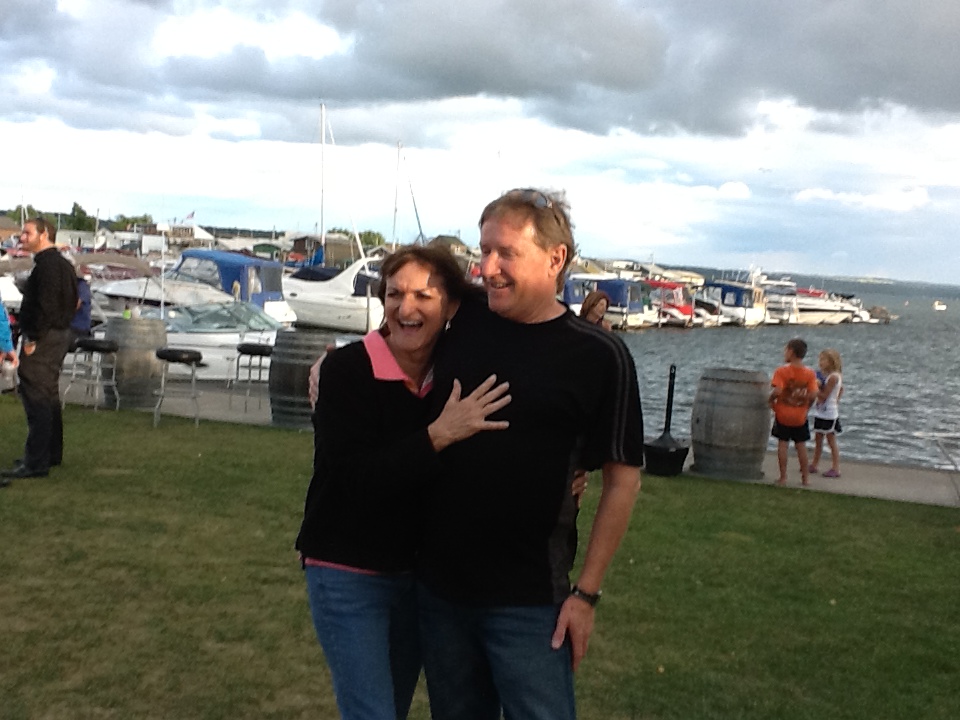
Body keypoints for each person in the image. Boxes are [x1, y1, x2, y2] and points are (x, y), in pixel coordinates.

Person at [417, 188, 645, 720]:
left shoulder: (598, 355)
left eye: (506, 253)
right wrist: (333, 366)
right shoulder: (464, 318)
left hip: (530, 601)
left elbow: (623, 481)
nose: (488, 268)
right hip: (441, 590)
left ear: (555, 258)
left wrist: (586, 596)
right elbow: (398, 327)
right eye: (483, 251)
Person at [296, 245, 513, 720]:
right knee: (372, 712)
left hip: (415, 578)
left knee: (390, 708)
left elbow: (504, 317)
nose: (405, 307)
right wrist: (438, 435)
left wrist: (571, 470)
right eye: (394, 294)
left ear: (450, 308)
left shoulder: (451, 375)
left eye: (423, 296)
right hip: (346, 569)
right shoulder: (346, 371)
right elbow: (355, 480)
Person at [1, 219, 78, 481]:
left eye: (27, 233)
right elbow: (73, 301)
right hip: (59, 334)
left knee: (37, 396)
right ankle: (50, 453)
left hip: (45, 337)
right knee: (48, 394)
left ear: (44, 234)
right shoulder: (63, 265)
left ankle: (36, 461)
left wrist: (32, 337)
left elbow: (46, 305)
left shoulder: (48, 266)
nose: (22, 237)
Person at [769, 337, 818, 487]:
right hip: (800, 416)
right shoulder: (809, 373)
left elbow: (778, 391)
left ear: (791, 352)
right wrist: (807, 407)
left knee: (783, 444)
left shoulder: (781, 371)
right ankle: (805, 478)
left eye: (785, 350)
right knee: (801, 446)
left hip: (783, 414)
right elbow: (813, 394)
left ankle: (783, 477)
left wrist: (770, 400)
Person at [810, 348, 843, 478]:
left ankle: (836, 467)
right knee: (818, 438)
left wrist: (814, 388)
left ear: (831, 361)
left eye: (823, 360)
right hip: (820, 412)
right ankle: (814, 464)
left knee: (831, 440)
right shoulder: (826, 376)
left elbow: (824, 395)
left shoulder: (833, 377)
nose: (820, 362)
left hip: (829, 413)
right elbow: (841, 390)